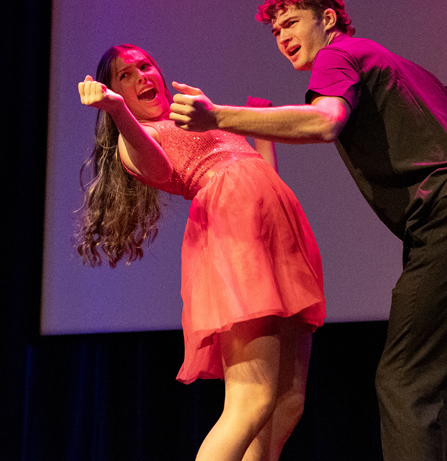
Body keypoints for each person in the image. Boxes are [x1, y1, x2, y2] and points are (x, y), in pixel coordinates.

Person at [167, 0, 447, 461]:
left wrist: (218, 118)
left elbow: (326, 120)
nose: (283, 38)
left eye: (292, 23)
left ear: (329, 19)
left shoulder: (338, 57)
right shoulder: (403, 68)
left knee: (405, 380)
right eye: (276, 32)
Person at [77, 44, 326, 461]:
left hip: (277, 233)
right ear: (111, 92)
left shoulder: (191, 114)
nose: (141, 76)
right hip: (236, 238)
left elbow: (255, 173)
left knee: (286, 403)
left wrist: (262, 134)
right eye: (125, 75)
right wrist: (118, 110)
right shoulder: (139, 138)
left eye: (145, 66)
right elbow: (157, 166)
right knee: (252, 398)